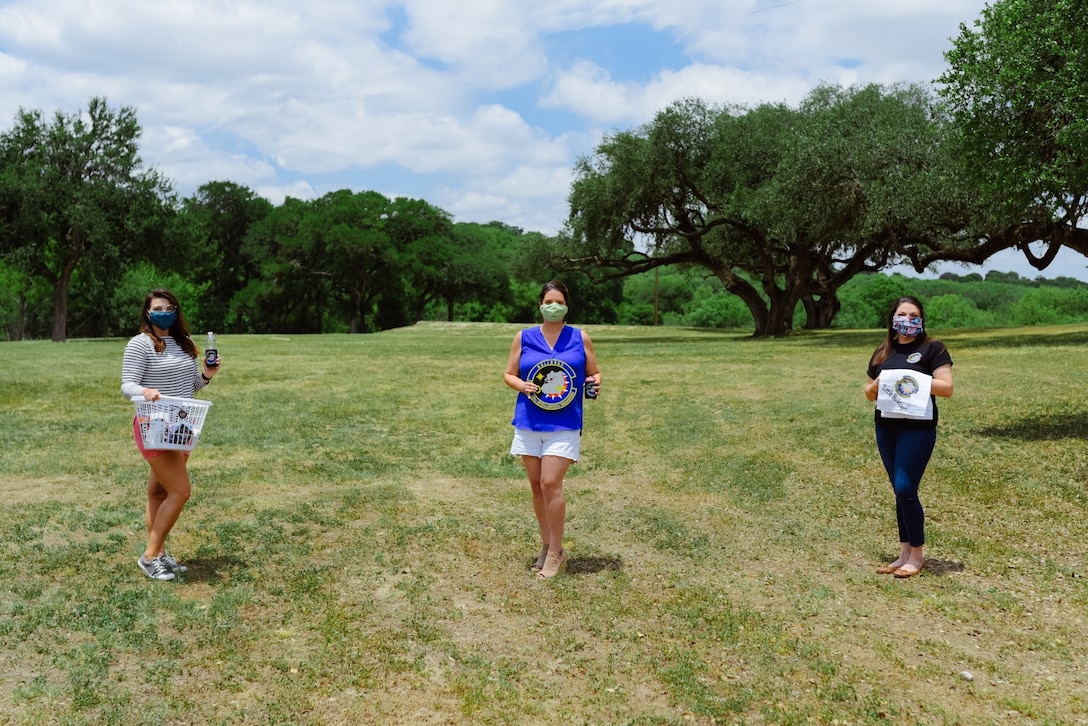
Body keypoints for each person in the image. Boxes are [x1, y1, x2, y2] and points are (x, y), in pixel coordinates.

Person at [121, 289, 220, 581]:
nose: (163, 311)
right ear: (148, 314)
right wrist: (145, 391)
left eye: (169, 307)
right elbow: (127, 385)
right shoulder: (140, 345)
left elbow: (190, 386)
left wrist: (207, 375)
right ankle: (150, 557)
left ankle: (160, 553)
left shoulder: (184, 343)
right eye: (157, 308)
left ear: (176, 311)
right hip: (153, 426)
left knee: (159, 491)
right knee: (180, 491)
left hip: (182, 427)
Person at [504, 281, 601, 579]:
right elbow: (509, 374)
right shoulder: (524, 337)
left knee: (549, 483)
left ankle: (557, 553)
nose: (553, 306)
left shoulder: (579, 337)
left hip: (565, 423)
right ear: (540, 304)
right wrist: (521, 384)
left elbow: (593, 371)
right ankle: (546, 546)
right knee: (535, 486)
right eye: (548, 301)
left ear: (567, 305)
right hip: (529, 422)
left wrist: (595, 382)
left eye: (559, 301)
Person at [864, 296, 953, 578]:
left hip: (918, 429)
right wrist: (877, 385)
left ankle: (917, 555)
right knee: (899, 490)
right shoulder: (883, 351)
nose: (907, 320)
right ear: (892, 319)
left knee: (905, 487)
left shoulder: (932, 349)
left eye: (914, 315)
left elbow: (947, 387)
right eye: (902, 315)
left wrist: (910, 379)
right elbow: (868, 392)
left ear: (921, 319)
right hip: (886, 427)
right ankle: (904, 553)